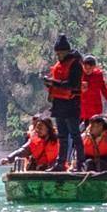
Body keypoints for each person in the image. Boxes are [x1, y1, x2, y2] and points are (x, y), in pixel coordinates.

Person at [44, 35, 83, 171]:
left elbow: (72, 84)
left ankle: (79, 164)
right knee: (62, 135)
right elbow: (57, 83)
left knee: (75, 134)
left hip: (71, 103)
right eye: (57, 53)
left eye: (60, 53)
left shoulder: (75, 64)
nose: (58, 56)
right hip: (59, 103)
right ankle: (61, 163)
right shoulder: (58, 65)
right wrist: (50, 86)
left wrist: (53, 82)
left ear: (67, 51)